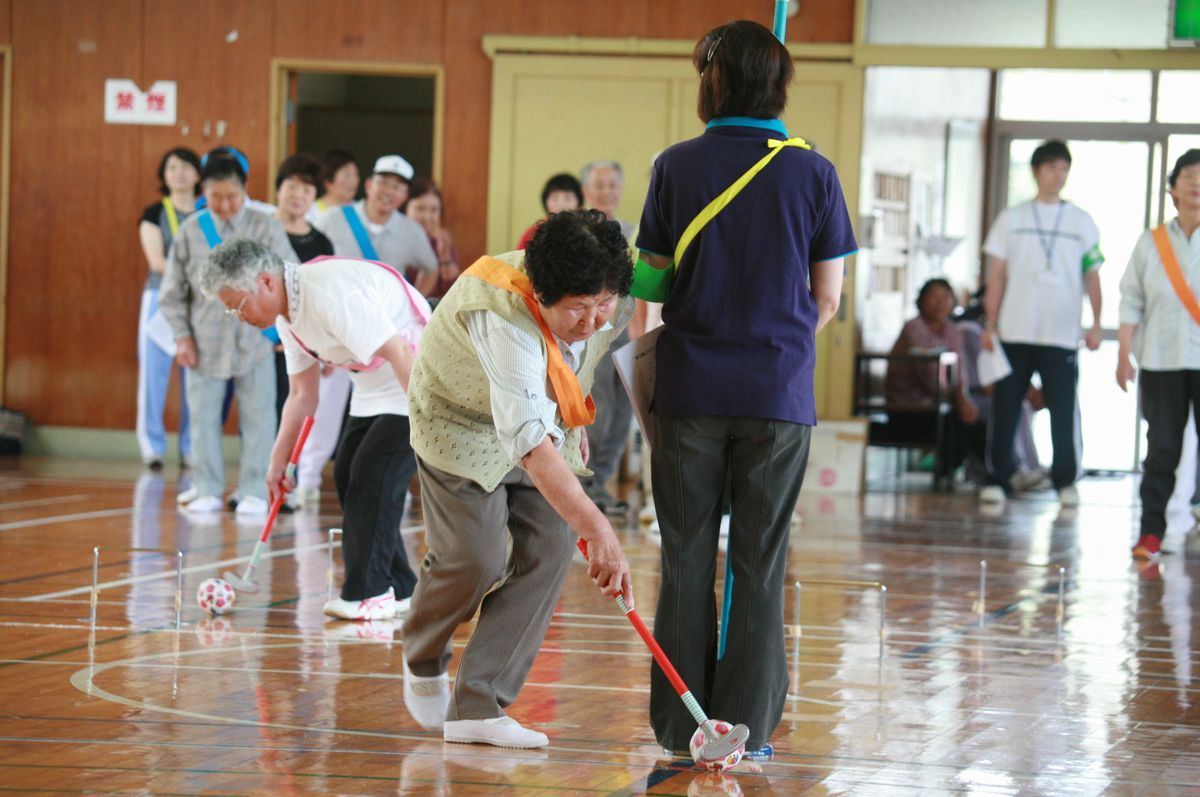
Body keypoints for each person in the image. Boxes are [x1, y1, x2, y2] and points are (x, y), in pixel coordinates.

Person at [632, 21, 855, 758]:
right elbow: (827, 299)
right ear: (779, 82)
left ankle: (681, 723)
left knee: (687, 555)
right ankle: (748, 728)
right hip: (778, 394)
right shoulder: (814, 173)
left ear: (712, 81)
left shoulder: (674, 165)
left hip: (690, 389)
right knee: (761, 561)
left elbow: (651, 282)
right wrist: (774, 346)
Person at [401, 210, 634, 749]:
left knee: (551, 548)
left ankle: (479, 704)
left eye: (603, 304)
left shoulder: (610, 293)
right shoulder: (503, 311)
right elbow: (527, 443)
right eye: (578, 307)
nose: (595, 319)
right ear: (542, 291)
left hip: (544, 421)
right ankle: (422, 651)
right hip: (459, 419)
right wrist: (599, 528)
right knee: (474, 556)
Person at [198, 238, 431, 619]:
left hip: (417, 372)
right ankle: (400, 586)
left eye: (237, 306)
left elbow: (400, 352)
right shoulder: (288, 321)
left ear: (266, 283)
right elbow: (302, 396)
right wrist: (277, 464)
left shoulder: (327, 292)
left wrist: (429, 424)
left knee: (374, 472)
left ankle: (368, 594)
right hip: (373, 384)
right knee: (346, 472)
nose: (238, 317)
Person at [158, 155, 293, 515]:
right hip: (204, 341)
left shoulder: (265, 226)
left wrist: (284, 326)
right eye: (216, 196)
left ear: (245, 190)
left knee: (261, 416)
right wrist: (182, 337)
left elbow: (288, 274)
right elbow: (171, 293)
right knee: (201, 418)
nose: (225, 205)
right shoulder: (190, 230)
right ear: (204, 192)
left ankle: (253, 489)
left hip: (257, 340)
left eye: (232, 196)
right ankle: (205, 487)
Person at [979, 139, 1103, 509]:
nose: (1058, 174)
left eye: (1063, 168)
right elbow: (997, 275)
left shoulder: (1081, 221)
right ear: (1035, 171)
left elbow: (1092, 275)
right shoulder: (1012, 218)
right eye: (1051, 167)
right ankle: (997, 479)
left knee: (1064, 410)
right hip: (1015, 330)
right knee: (1006, 408)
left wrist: (1096, 322)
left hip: (1061, 334)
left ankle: (1065, 480)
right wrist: (990, 322)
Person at [1117, 149, 1200, 560]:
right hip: (1161, 360)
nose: (1196, 183)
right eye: (1189, 176)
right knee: (1162, 446)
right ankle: (1151, 532)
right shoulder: (1151, 243)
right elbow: (1130, 299)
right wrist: (1123, 354)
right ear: (1173, 188)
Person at [136, 147, 201, 471]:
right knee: (154, 377)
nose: (179, 173)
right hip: (159, 301)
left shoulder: (208, 214)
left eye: (186, 167)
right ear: (164, 174)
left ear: (198, 174)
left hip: (198, 304)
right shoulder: (153, 213)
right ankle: (153, 447)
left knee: (195, 378)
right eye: (172, 167)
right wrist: (197, 275)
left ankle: (191, 447)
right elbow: (156, 262)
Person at [578, 159, 635, 515]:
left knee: (623, 412)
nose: (606, 192)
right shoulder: (578, 230)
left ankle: (601, 484)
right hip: (591, 333)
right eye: (599, 185)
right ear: (586, 190)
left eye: (612, 184)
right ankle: (584, 485)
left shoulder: (634, 232)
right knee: (596, 411)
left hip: (628, 332)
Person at [884, 278, 979, 482]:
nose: (940, 302)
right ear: (921, 301)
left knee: (976, 415)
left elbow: (960, 369)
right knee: (962, 420)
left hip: (940, 403)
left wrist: (963, 397)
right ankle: (948, 473)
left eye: (946, 297)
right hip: (908, 407)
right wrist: (959, 400)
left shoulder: (952, 330)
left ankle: (966, 471)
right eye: (934, 297)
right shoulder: (914, 327)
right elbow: (929, 375)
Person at [316, 154, 438, 296]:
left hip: (387, 316)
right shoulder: (332, 219)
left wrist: (413, 304)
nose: (389, 191)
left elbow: (431, 269)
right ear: (368, 185)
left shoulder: (412, 231)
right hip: (337, 312)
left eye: (397, 187)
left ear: (405, 195)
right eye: (383, 183)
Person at [404, 177, 460, 300]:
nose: (427, 217)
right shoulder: (395, 239)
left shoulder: (440, 242)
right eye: (420, 208)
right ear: (405, 208)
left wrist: (445, 255)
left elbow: (454, 290)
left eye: (433, 210)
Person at [516, 173, 583, 250]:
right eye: (555, 198)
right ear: (545, 201)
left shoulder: (585, 231)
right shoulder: (534, 232)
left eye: (567, 198)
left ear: (579, 201)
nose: (561, 204)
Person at [315, 148, 360, 215]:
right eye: (347, 175)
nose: (353, 181)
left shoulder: (361, 211)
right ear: (327, 179)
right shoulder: (311, 212)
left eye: (355, 174)